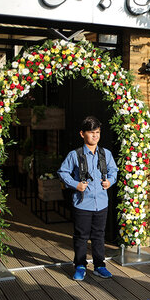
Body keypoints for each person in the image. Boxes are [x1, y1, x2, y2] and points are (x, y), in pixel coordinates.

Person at [58, 116, 119, 281]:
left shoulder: (106, 154)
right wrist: (75, 184)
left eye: (97, 132)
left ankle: (100, 266)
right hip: (82, 203)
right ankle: (80, 266)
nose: (95, 136)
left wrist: (110, 181)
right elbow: (62, 172)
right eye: (91, 132)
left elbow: (114, 171)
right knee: (81, 237)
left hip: (102, 203)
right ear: (82, 134)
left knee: (99, 236)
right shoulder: (74, 155)